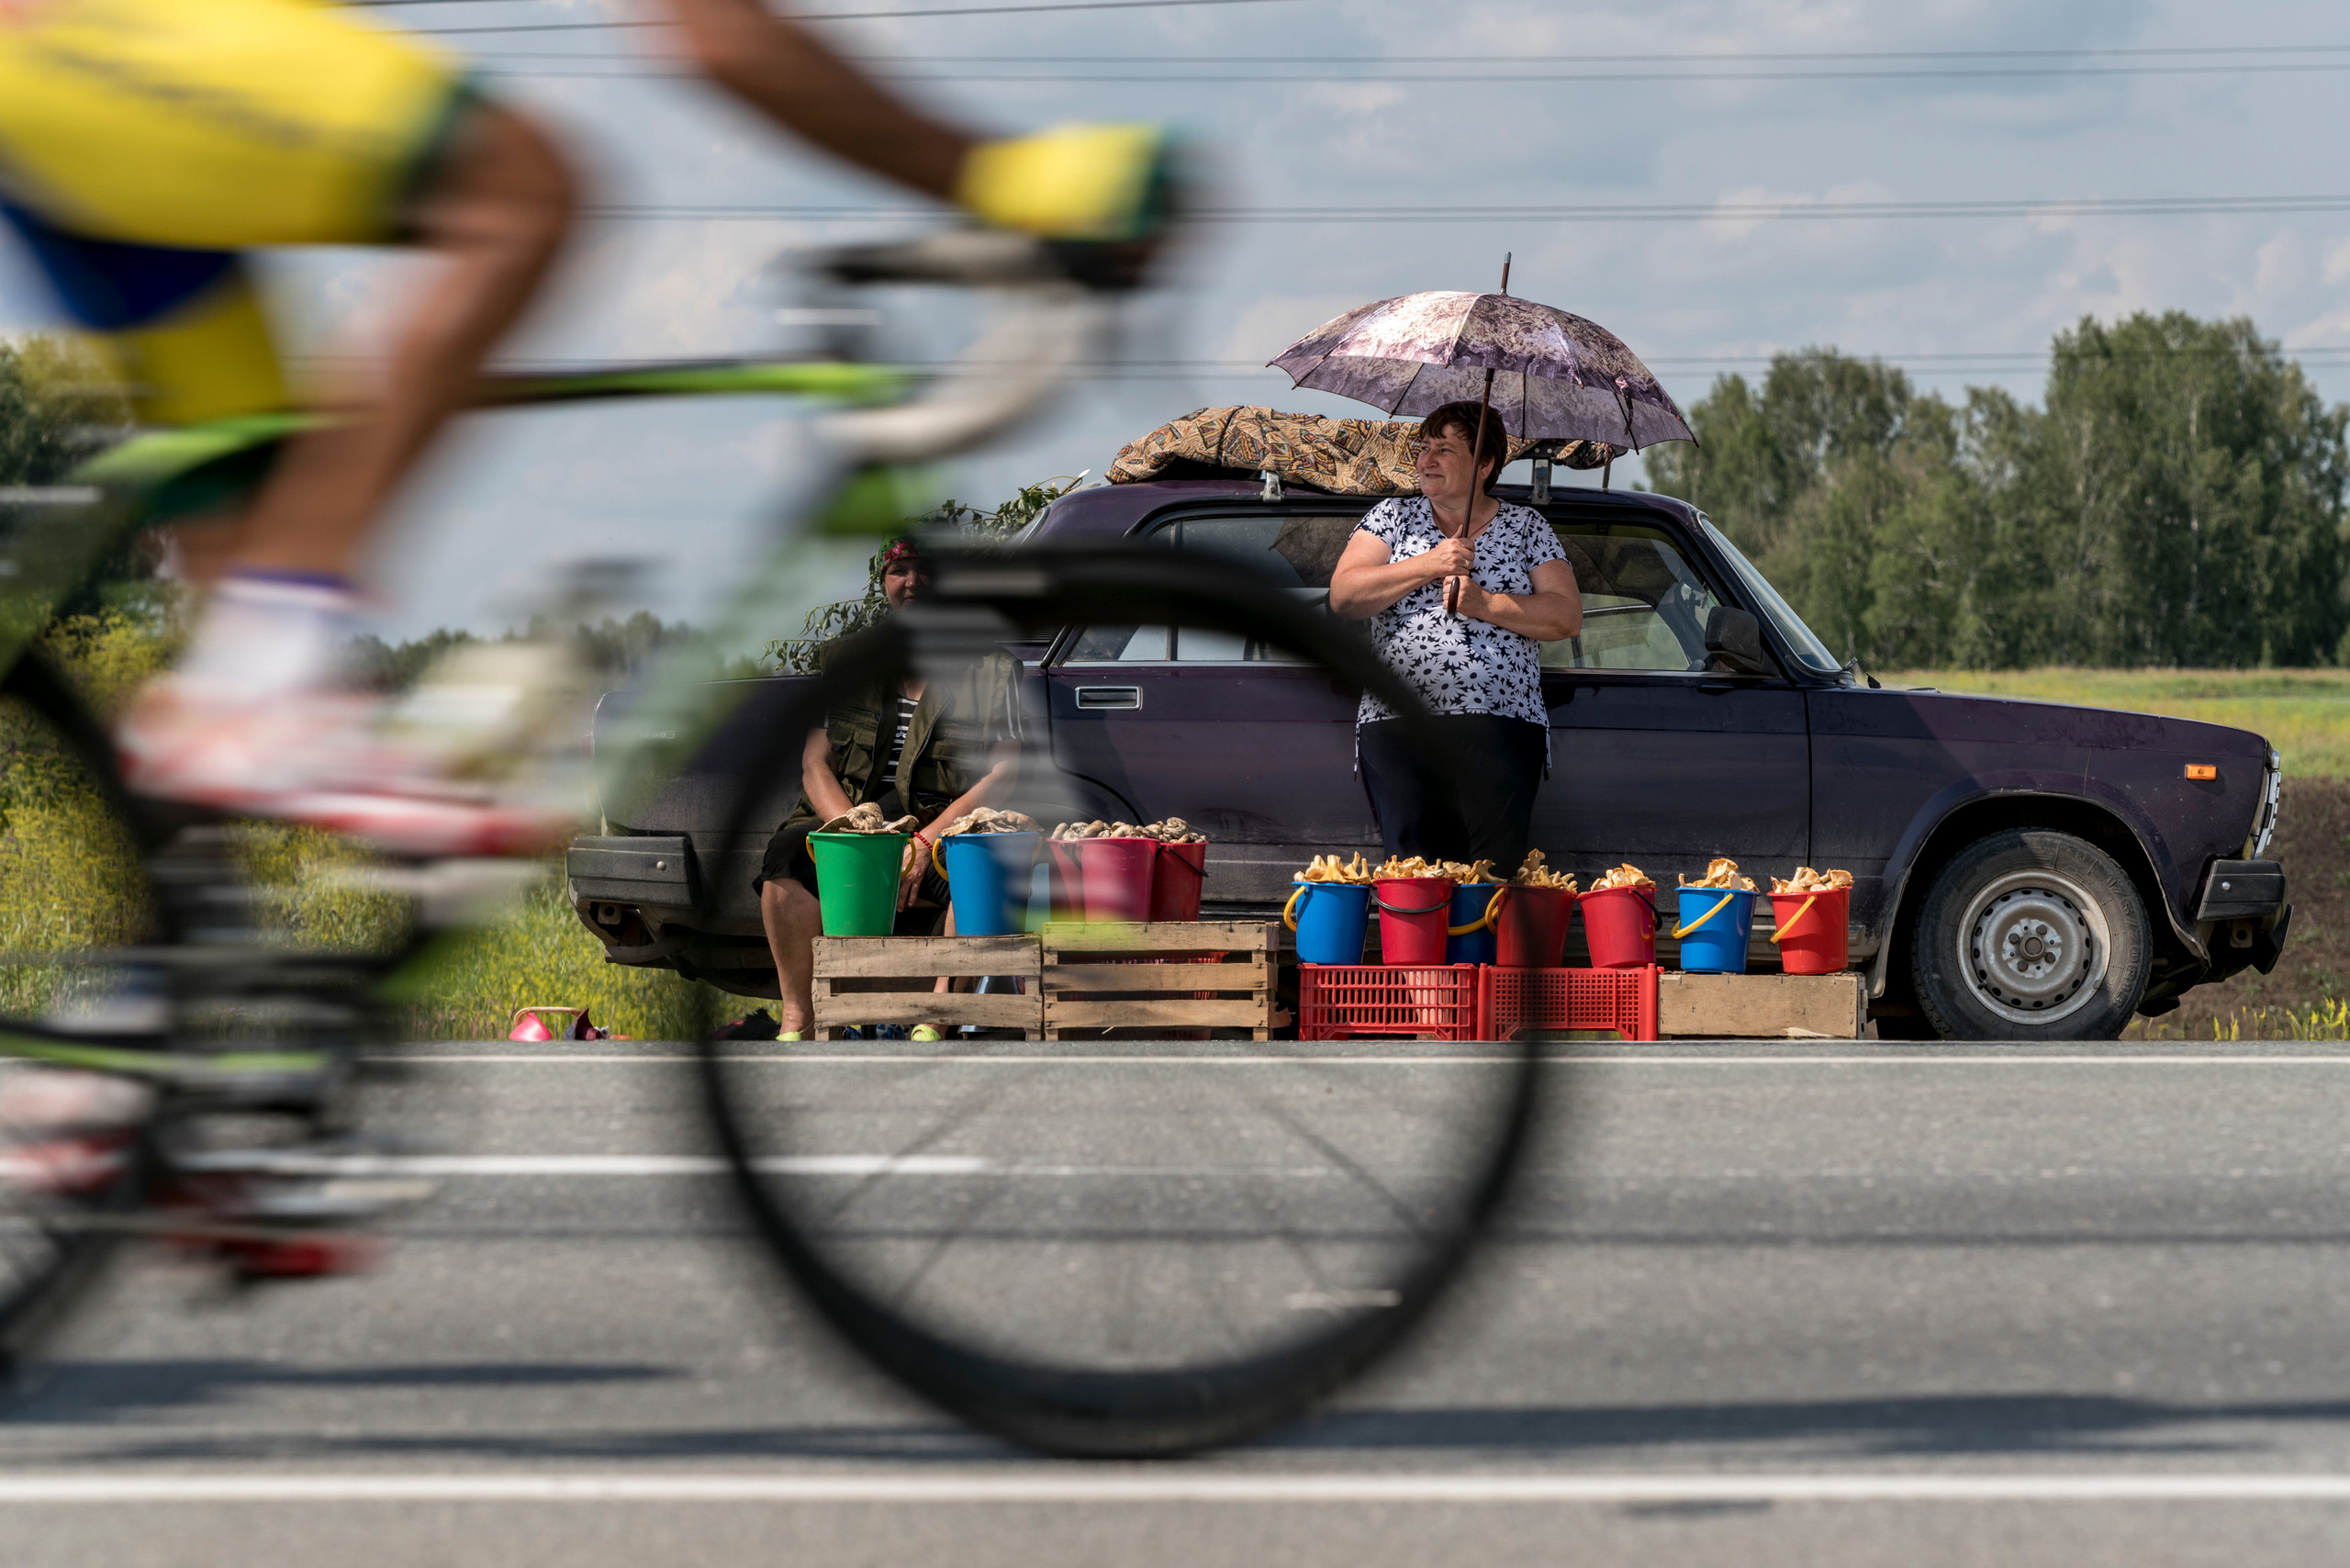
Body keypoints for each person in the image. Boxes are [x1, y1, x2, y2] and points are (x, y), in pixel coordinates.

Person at [0, 0, 1170, 857]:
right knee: (519, 186)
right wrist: (1003, 179)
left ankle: (167, 1080)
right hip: (79, 53)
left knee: (255, 557)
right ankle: (260, 678)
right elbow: (715, 31)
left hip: (86, 90)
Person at [742, 539, 1021, 1042]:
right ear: (884, 582)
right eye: (900, 571)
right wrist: (860, 837)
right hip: (854, 820)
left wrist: (923, 841)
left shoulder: (993, 669)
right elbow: (814, 762)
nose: (912, 582)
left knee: (977, 869)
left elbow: (1004, 773)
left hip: (939, 822)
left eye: (926, 571)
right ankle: (800, 1017)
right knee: (784, 856)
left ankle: (936, 1015)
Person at [1326, 400, 1583, 873]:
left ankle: (1478, 951)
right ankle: (1420, 953)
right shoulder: (1393, 517)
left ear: (1485, 464)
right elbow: (1344, 595)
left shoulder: (1527, 527)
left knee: (1490, 877)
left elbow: (1566, 617)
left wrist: (1484, 603)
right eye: (1424, 448)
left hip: (1500, 726)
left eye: (1444, 449)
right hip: (1401, 723)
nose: (1426, 459)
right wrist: (1430, 564)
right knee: (1413, 877)